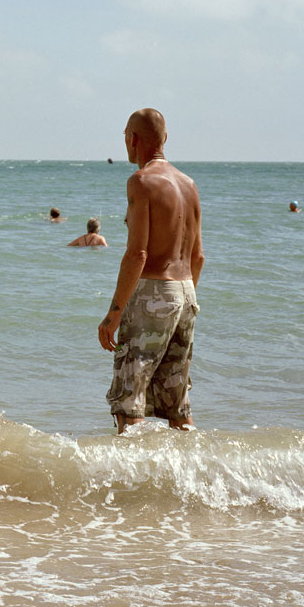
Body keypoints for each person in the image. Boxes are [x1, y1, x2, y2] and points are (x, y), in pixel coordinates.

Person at [98, 108, 205, 434]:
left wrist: (113, 313)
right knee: (177, 404)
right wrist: (181, 301)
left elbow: (137, 254)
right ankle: (191, 475)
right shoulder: (189, 185)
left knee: (129, 402)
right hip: (187, 293)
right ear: (165, 139)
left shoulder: (141, 182)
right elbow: (198, 256)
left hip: (152, 296)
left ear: (133, 139)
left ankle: (134, 483)